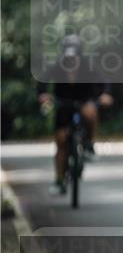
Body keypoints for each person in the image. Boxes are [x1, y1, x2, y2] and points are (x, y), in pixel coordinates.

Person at [36, 35, 113, 195]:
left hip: (84, 101)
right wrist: (42, 95)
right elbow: (42, 80)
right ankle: (59, 179)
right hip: (63, 105)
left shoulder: (88, 65)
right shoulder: (58, 66)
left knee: (90, 111)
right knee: (61, 142)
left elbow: (104, 80)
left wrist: (105, 94)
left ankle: (90, 144)